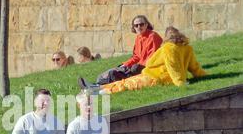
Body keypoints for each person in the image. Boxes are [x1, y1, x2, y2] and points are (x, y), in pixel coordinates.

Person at [79, 26, 207, 95]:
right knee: (125, 82)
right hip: (152, 75)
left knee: (126, 84)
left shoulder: (169, 48)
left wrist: (180, 83)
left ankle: (97, 92)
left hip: (156, 78)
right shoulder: (187, 48)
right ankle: (95, 87)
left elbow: (172, 66)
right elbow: (194, 67)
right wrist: (203, 76)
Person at [96, 15, 162, 85]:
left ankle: (106, 82)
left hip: (147, 67)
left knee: (131, 69)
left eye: (141, 24)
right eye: (136, 25)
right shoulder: (138, 38)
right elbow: (136, 57)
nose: (139, 27)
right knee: (112, 71)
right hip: (138, 66)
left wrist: (137, 65)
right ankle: (100, 82)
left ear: (146, 25)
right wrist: (125, 64)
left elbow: (152, 57)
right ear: (134, 28)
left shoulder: (153, 36)